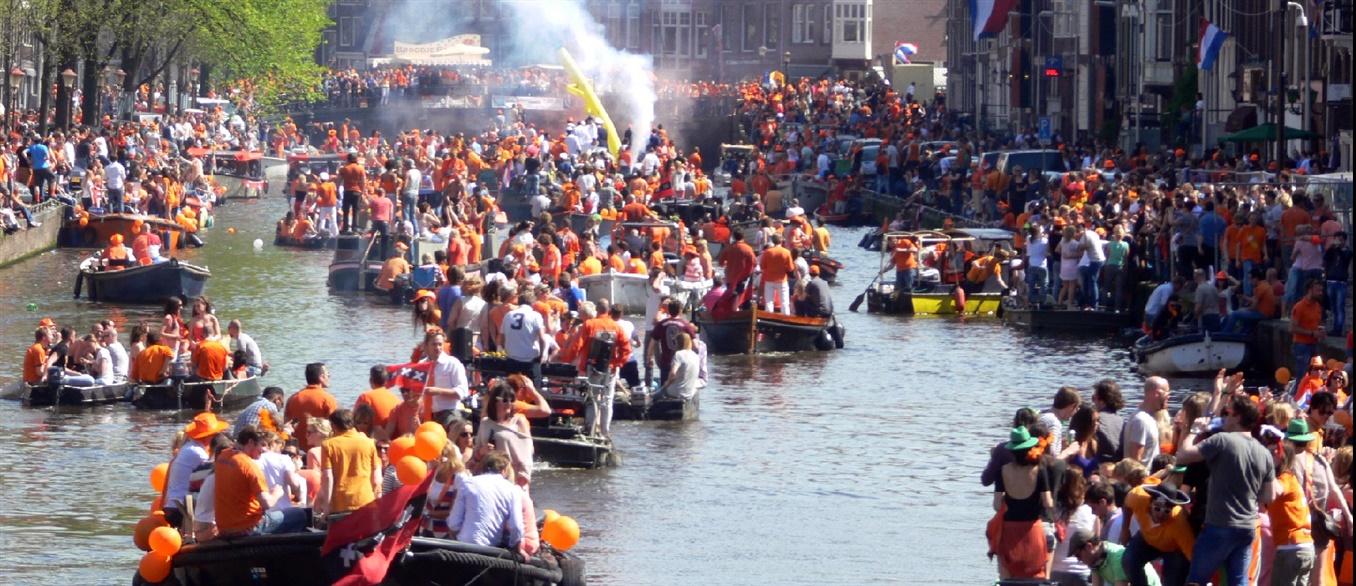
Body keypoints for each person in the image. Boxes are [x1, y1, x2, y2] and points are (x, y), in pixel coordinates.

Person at [1175, 395, 1276, 586]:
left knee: (1195, 582)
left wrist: (1195, 430)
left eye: (1227, 413)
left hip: (1219, 526)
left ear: (1237, 417)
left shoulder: (1222, 440)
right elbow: (1269, 496)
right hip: (1247, 528)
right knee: (1238, 582)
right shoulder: (1264, 453)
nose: (1224, 417)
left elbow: (1182, 455)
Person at [213, 425, 309, 537]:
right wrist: (276, 493)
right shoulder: (249, 466)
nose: (265, 450)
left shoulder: (223, 457)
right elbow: (268, 503)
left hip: (224, 527)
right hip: (248, 527)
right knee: (299, 514)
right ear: (251, 442)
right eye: (262, 445)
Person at [989, 426, 1053, 579]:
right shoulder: (1040, 470)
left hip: (1010, 531)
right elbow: (1047, 503)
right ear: (1030, 448)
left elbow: (997, 506)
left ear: (1011, 451)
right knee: (1037, 576)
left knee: (1007, 577)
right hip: (1032, 530)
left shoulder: (1002, 471)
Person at [162, 412, 230, 529]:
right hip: (181, 509)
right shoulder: (198, 453)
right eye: (215, 434)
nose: (217, 436)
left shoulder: (189, 447)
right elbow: (212, 475)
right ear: (208, 436)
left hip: (173, 505)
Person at [1119, 481, 1195, 586]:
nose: (1161, 514)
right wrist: (1125, 529)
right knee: (1129, 560)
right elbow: (1126, 504)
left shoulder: (1179, 524)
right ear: (1150, 503)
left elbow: (1193, 556)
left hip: (1174, 549)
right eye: (1157, 508)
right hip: (1147, 538)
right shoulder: (1138, 498)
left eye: (1166, 511)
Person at [315, 409, 382, 523]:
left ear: (333, 426)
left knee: (339, 534)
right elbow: (376, 480)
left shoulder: (329, 445)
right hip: (365, 500)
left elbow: (328, 477)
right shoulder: (369, 443)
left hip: (340, 503)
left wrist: (326, 505)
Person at [1266, 441, 1314, 586]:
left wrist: (1266, 470)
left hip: (1291, 548)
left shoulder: (1285, 478)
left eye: (1271, 453)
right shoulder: (1292, 478)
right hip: (1305, 547)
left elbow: (1276, 491)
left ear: (1281, 457)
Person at [475, 381, 535, 487]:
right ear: (495, 401)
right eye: (505, 400)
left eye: (512, 400)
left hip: (512, 476)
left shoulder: (518, 422)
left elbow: (528, 452)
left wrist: (525, 475)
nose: (509, 403)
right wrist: (482, 451)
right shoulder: (485, 422)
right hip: (488, 475)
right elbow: (475, 453)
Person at [1067, 528, 1162, 586]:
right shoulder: (1096, 560)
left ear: (1089, 546)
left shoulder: (1117, 557)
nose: (1079, 560)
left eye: (1078, 555)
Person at [498, 290, 550, 390]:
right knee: (533, 392)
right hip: (530, 361)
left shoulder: (508, 315)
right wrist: (542, 355)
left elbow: (502, 338)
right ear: (533, 303)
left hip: (512, 361)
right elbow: (542, 338)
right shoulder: (535, 315)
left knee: (512, 391)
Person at [284, 363, 338, 452]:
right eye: (328, 375)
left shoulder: (293, 398)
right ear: (321, 377)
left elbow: (287, 424)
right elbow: (334, 427)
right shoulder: (328, 399)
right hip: (320, 450)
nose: (329, 377)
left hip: (296, 450)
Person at [423, 329, 469, 424]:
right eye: (434, 344)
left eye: (440, 344)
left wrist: (438, 391)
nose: (438, 347)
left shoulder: (453, 363)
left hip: (449, 411)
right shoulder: (421, 365)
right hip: (426, 413)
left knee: (455, 425)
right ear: (427, 345)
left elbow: (463, 392)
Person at [649, 297, 697, 387]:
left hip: (666, 361)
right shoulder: (686, 325)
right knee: (680, 386)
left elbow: (652, 343)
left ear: (668, 310)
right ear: (680, 310)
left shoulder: (661, 324)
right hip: (682, 362)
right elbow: (696, 346)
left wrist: (649, 357)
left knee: (664, 387)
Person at [1124, 377, 1168, 465]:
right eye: (1167, 393)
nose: (1168, 397)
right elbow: (1135, 461)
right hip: (1143, 474)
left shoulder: (1149, 418)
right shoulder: (1141, 421)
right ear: (1157, 393)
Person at [1219, 267, 1275, 334]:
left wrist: (1244, 309)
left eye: (1251, 279)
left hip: (1263, 314)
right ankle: (1242, 335)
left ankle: (1224, 334)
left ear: (1255, 278)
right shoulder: (1264, 285)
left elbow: (1253, 307)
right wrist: (1243, 297)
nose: (1250, 281)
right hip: (1264, 313)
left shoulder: (1261, 287)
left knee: (1234, 314)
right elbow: (1254, 300)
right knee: (1245, 319)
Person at [1290, 279, 1325, 377]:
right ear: (1310, 290)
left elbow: (1316, 325)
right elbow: (1292, 328)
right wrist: (1312, 333)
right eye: (1318, 290)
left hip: (1314, 344)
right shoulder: (1299, 306)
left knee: (1316, 375)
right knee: (1302, 375)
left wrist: (1321, 334)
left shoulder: (1317, 306)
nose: (1320, 293)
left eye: (1321, 290)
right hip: (1301, 345)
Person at [354, 365, 400, 438]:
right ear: (386, 381)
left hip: (373, 440)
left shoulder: (365, 397)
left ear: (370, 381)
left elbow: (355, 421)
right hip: (392, 440)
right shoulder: (396, 399)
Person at [659, 331, 701, 401]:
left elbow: (673, 373)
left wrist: (667, 383)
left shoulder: (679, 354)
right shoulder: (696, 356)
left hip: (675, 393)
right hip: (689, 393)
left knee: (654, 397)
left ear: (678, 343)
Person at [1039, 386, 1081, 455]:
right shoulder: (1054, 423)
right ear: (1072, 407)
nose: (1075, 413)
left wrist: (1059, 444)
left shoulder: (1042, 414)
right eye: (1076, 409)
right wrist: (1070, 450)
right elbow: (1052, 458)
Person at [759, 233, 795, 314]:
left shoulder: (767, 252)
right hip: (782, 280)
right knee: (785, 303)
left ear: (772, 241)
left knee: (769, 302)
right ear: (781, 240)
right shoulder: (786, 252)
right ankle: (785, 318)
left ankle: (768, 318)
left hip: (769, 279)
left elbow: (762, 266)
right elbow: (791, 268)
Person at [1091, 380, 1125, 463]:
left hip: (1100, 464)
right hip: (1120, 464)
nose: (1093, 401)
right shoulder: (1124, 422)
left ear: (1102, 400)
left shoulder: (1095, 420)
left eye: (1094, 398)